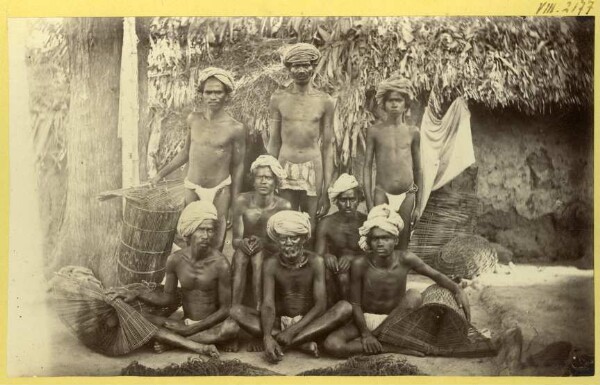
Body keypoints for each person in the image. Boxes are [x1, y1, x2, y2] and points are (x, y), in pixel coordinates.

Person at [323, 204, 470, 358]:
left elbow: (436, 275)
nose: (380, 243)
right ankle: (388, 346)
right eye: (375, 239)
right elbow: (355, 304)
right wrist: (365, 333)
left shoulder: (405, 258)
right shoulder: (361, 263)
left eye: (385, 238)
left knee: (414, 295)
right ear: (369, 241)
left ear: (395, 239)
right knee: (331, 344)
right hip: (366, 318)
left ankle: (379, 337)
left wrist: (457, 289)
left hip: (397, 319)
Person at [112, 201, 239, 353]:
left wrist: (191, 329)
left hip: (210, 324)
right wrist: (137, 293)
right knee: (137, 316)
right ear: (189, 231)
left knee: (232, 327)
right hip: (185, 322)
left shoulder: (220, 263)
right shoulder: (175, 260)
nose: (206, 236)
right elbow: (167, 298)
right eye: (201, 230)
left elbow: (225, 309)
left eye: (210, 230)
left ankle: (173, 342)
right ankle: (188, 340)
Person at [230, 210, 352, 362]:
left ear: (303, 239)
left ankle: (289, 343)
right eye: (283, 239)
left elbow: (320, 305)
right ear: (277, 241)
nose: (288, 243)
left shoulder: (316, 262)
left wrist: (293, 331)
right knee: (237, 311)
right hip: (280, 322)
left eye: (293, 238)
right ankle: (301, 343)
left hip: (310, 322)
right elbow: (268, 305)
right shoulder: (271, 264)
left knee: (345, 308)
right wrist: (267, 336)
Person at [150, 67, 246, 250]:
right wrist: (159, 175)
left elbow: (239, 166)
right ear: (202, 94)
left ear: (227, 94)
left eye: (218, 92)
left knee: (216, 240)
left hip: (220, 189)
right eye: (208, 92)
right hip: (193, 186)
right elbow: (186, 152)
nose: (213, 97)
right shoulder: (193, 119)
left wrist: (235, 203)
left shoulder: (236, 128)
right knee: (189, 236)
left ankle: (213, 276)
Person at [267, 43, 336, 232]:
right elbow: (274, 141)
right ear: (288, 68)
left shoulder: (325, 101)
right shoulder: (278, 98)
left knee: (309, 225)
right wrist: (271, 172)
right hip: (284, 165)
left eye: (306, 65)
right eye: (295, 66)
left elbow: (328, 147)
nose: (301, 70)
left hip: (312, 167)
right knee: (284, 221)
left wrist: (327, 187)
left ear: (314, 67)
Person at [363, 75, 423, 250]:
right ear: (383, 103)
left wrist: (418, 204)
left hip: (408, 193)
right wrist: (368, 200)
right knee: (381, 235)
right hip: (382, 191)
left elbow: (418, 169)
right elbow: (367, 166)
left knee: (402, 240)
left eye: (399, 100)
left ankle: (399, 277)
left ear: (406, 104)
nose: (394, 104)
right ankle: (381, 276)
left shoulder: (413, 132)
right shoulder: (375, 131)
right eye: (390, 100)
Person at [231, 155, 291, 311]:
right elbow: (235, 240)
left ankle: (259, 308)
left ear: (276, 181)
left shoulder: (284, 206)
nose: (263, 181)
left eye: (268, 178)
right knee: (240, 255)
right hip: (245, 252)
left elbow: (286, 244)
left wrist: (265, 243)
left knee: (257, 256)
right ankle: (234, 308)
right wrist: (242, 242)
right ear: (253, 179)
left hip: (272, 253)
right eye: (259, 177)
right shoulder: (241, 201)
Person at [315, 173, 366, 301]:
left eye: (352, 199)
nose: (348, 205)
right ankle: (332, 311)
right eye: (343, 200)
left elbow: (377, 253)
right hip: (336, 268)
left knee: (345, 276)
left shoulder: (366, 222)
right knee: (326, 273)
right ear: (336, 201)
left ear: (358, 200)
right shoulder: (326, 223)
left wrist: (353, 258)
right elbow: (317, 255)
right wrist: (326, 256)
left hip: (362, 267)